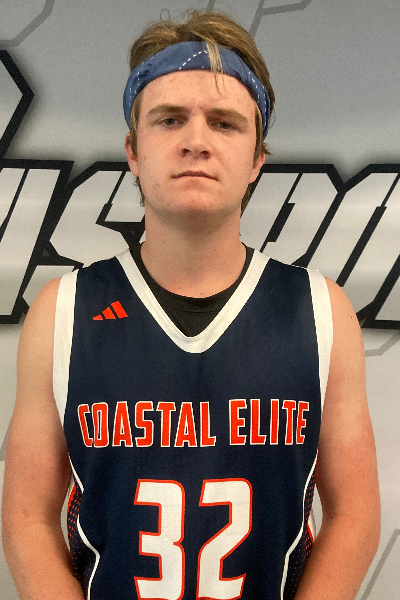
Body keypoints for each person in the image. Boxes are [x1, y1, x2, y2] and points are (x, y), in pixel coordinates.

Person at [2, 10, 380, 600]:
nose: (196, 141)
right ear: (133, 152)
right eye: (169, 119)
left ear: (256, 159)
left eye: (224, 123)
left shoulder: (321, 312)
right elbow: (27, 518)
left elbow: (355, 516)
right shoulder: (62, 312)